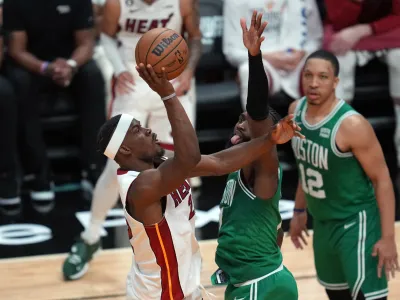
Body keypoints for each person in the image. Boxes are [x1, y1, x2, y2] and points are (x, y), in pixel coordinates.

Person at [95, 61, 301, 299]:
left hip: (183, 288)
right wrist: (168, 94)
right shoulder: (141, 187)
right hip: (160, 295)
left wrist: (270, 139)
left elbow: (219, 163)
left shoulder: (160, 165)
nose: (149, 130)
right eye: (138, 131)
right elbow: (190, 158)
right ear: (126, 150)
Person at [62, 0, 203, 280]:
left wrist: (188, 71)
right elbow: (105, 35)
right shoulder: (117, 3)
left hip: (173, 79)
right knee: (116, 167)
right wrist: (116, 67)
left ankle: (182, 247)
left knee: (178, 165)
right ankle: (90, 238)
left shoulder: (181, 2)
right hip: (132, 79)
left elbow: (195, 38)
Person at [288, 50, 399, 300]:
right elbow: (306, 167)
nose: (314, 83)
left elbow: (382, 179)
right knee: (336, 296)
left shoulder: (352, 125)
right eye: (308, 75)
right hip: (323, 223)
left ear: (336, 82)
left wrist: (389, 237)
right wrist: (298, 211)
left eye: (323, 77)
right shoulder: (295, 111)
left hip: (356, 223)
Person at [213, 11, 300, 300]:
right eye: (239, 118)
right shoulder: (240, 166)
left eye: (248, 122)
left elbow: (258, 110)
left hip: (260, 284)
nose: (239, 124)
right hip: (251, 281)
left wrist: (254, 56)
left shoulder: (261, 164)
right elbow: (276, 232)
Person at [3, 0, 106, 209]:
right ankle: (39, 174)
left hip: (70, 64)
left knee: (93, 76)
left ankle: (94, 167)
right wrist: (46, 68)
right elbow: (16, 50)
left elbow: (86, 43)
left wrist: (70, 65)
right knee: (19, 82)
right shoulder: (14, 3)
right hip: (32, 65)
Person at [322, 0, 400, 173]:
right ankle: (336, 156)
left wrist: (363, 30)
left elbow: (398, 17)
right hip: (344, 34)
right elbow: (339, 22)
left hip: (388, 33)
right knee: (339, 60)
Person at [223, 0, 323, 111]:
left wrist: (302, 53)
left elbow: (316, 39)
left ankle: (320, 126)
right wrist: (268, 57)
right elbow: (231, 51)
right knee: (248, 70)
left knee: (322, 66)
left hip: (297, 61)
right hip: (262, 60)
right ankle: (255, 127)